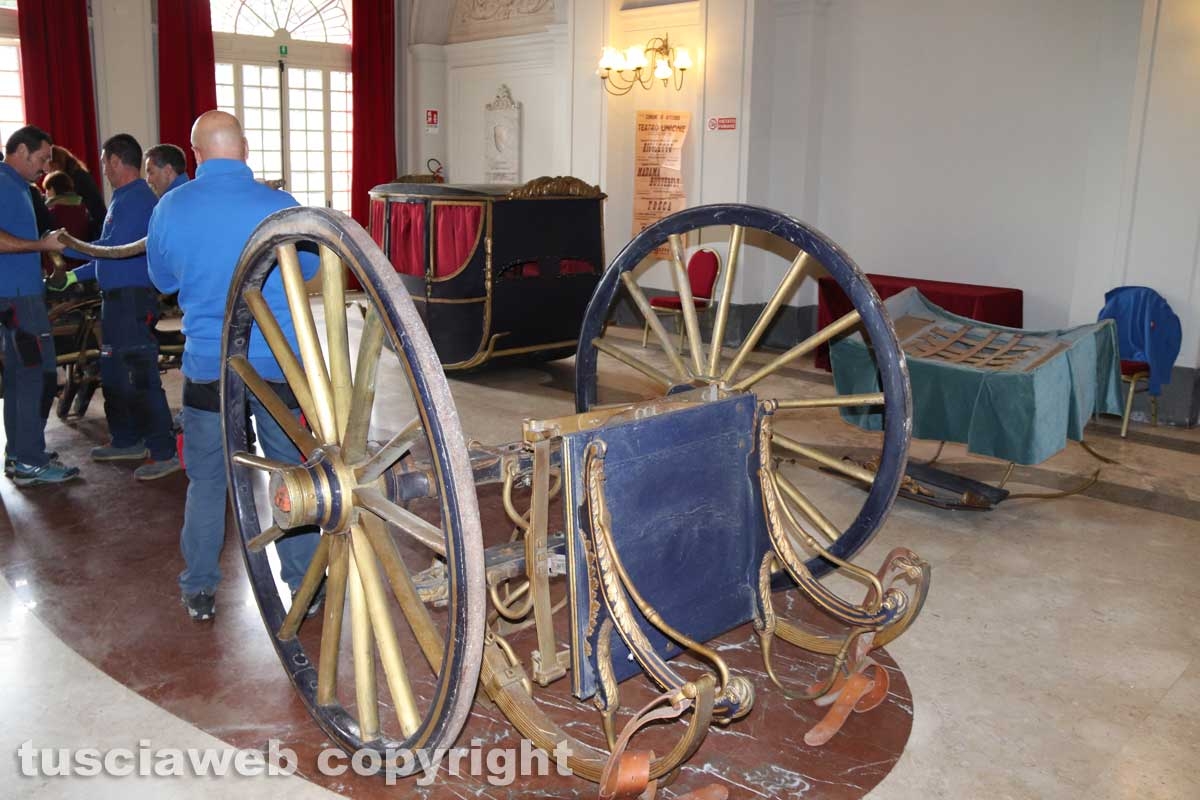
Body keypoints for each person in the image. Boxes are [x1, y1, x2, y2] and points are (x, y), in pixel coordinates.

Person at [146, 110, 319, 621]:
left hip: (209, 365)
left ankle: (199, 588)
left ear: (196, 153)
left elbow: (163, 281)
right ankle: (304, 584)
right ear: (244, 149)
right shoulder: (280, 206)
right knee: (290, 472)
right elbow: (309, 266)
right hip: (276, 366)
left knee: (206, 479)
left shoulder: (171, 207)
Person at [53, 133, 180, 480]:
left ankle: (164, 451)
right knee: (113, 375)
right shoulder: (122, 199)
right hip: (115, 302)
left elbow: (110, 249)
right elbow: (106, 255)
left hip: (132, 301)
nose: (103, 170)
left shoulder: (138, 199)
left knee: (140, 378)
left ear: (114, 161)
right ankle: (126, 439)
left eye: (104, 162)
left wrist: (64, 243)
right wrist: (71, 277)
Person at [0, 125, 79, 486]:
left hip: (20, 295)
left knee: (21, 376)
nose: (46, 166)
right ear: (20, 151)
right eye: (42, 158)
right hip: (18, 298)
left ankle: (20, 455)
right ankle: (29, 460)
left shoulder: (17, 185)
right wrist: (41, 246)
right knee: (39, 375)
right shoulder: (4, 183)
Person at [48, 144, 106, 239]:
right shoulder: (78, 173)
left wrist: (50, 202)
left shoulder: (75, 178)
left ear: (56, 163)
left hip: (94, 226)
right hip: (94, 223)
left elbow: (72, 201)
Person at [43, 170, 93, 243]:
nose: (46, 194)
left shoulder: (53, 211)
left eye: (47, 189)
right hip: (82, 247)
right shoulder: (82, 208)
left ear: (53, 189)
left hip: (62, 248)